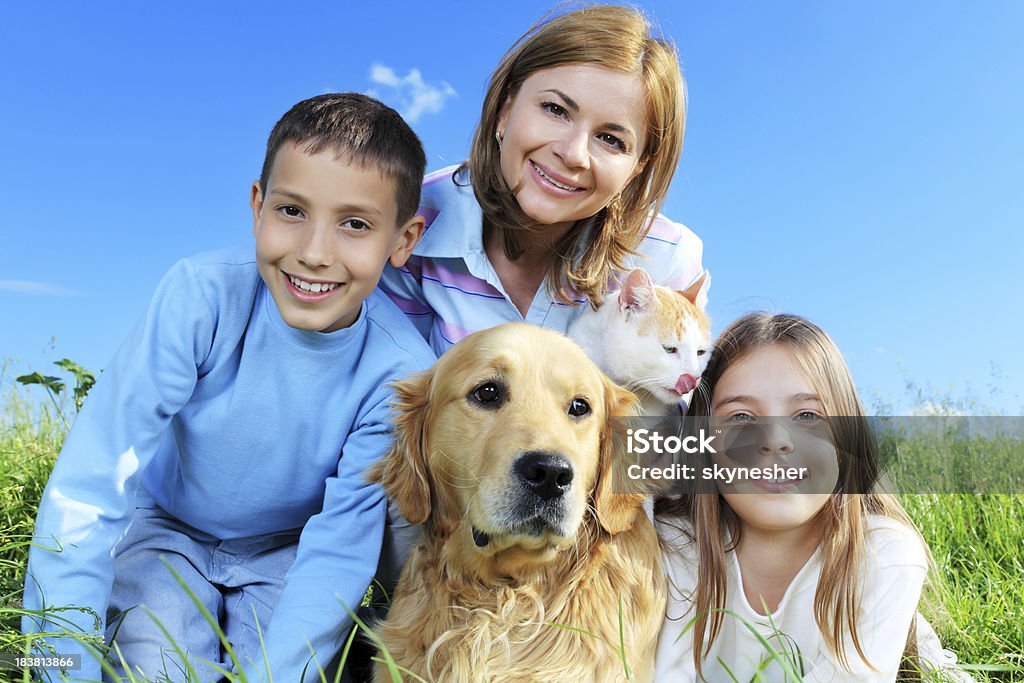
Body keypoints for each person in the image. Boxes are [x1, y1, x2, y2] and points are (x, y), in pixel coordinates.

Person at [22, 93, 435, 683]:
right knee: (155, 666)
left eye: (355, 224)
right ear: (257, 205)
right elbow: (94, 477)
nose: (314, 253)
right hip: (167, 530)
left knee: (288, 666)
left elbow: (341, 545)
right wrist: (61, 662)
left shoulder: (399, 370)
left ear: (403, 239)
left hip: (289, 552)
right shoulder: (202, 296)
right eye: (292, 211)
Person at [654, 313, 974, 681]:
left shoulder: (883, 555)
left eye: (807, 415)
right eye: (741, 417)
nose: (775, 439)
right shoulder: (672, 546)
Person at [379, 4, 704, 351]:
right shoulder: (416, 218)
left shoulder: (664, 258)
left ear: (637, 166)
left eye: (611, 139)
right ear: (505, 110)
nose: (574, 153)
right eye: (555, 110)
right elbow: (399, 387)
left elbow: (658, 400)